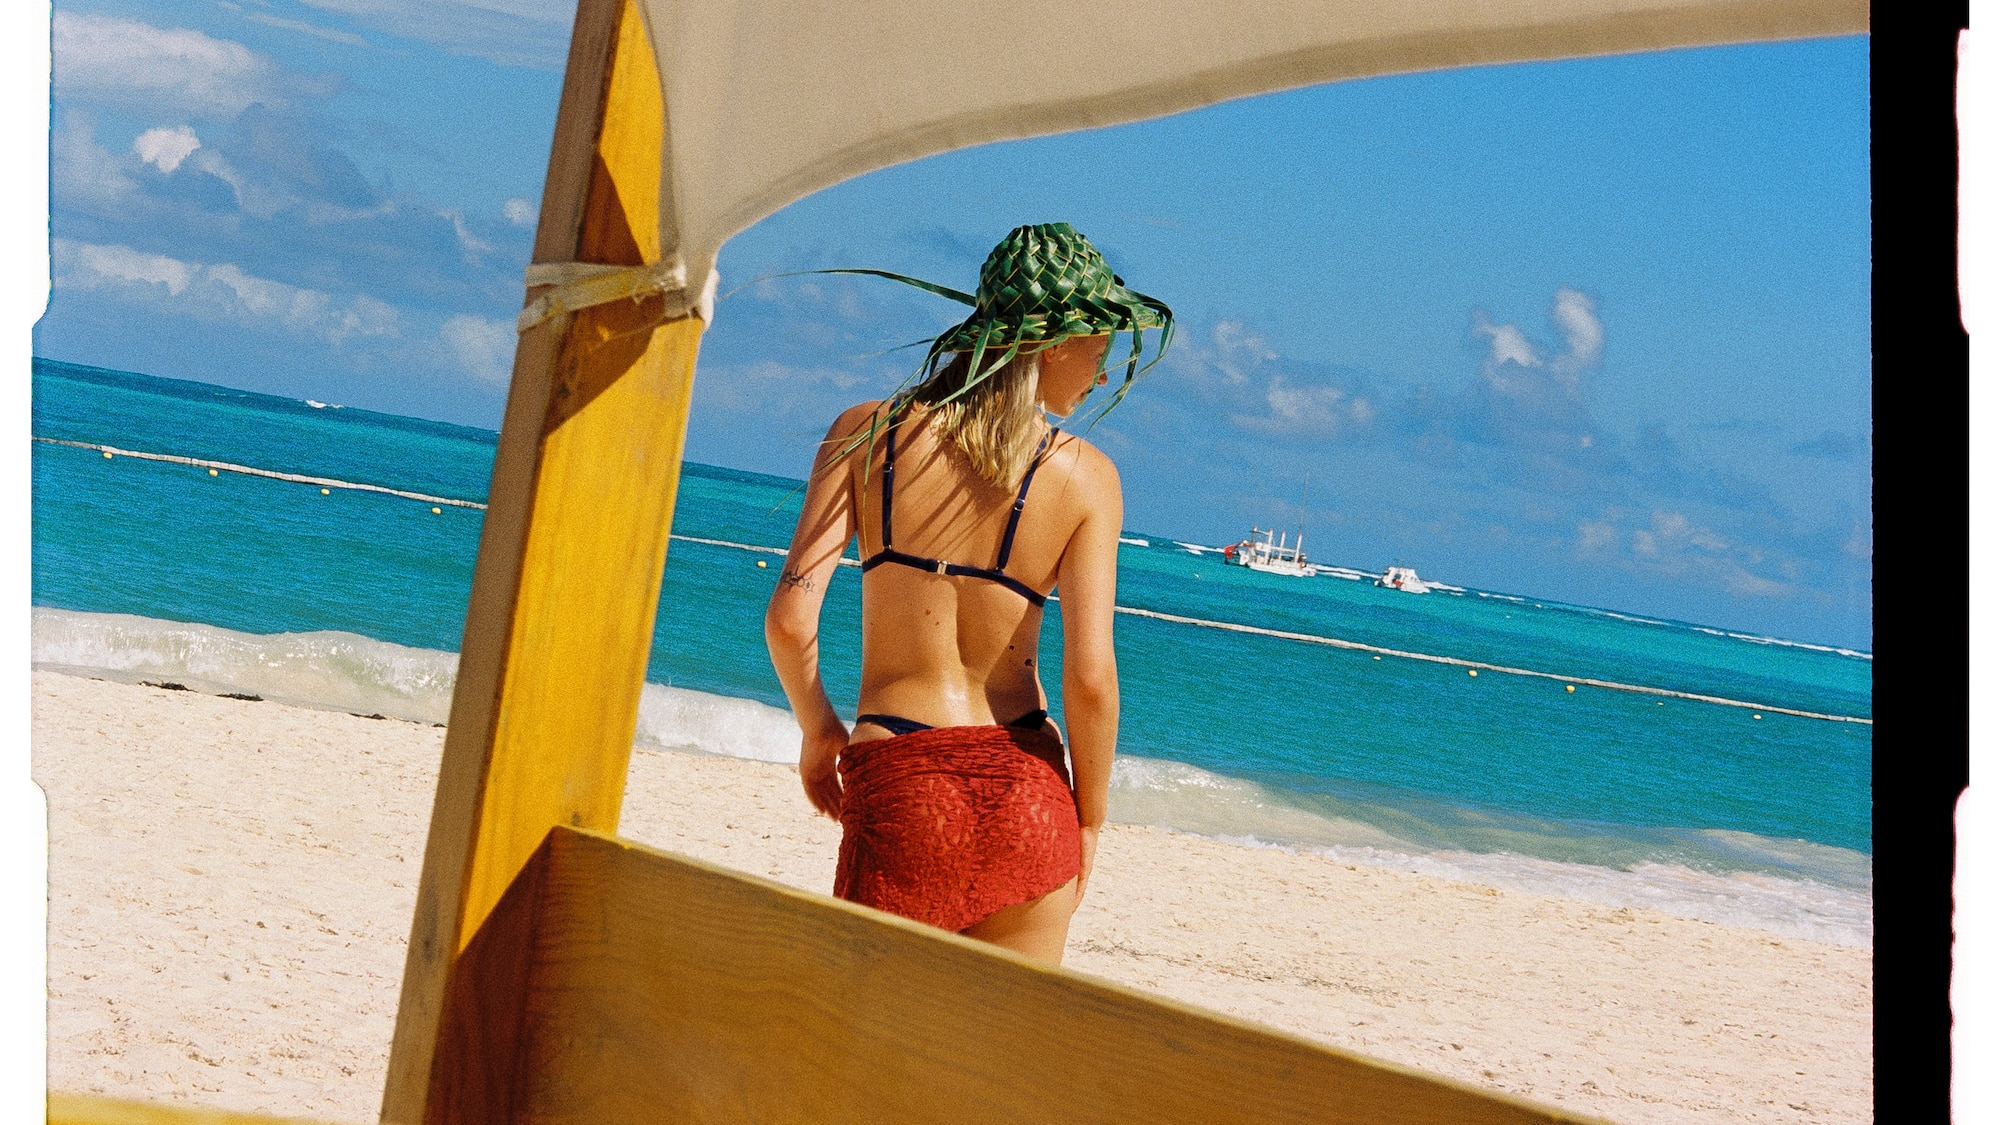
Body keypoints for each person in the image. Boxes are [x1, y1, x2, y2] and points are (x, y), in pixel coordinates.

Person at [764, 222, 1172, 964]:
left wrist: (820, 731)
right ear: (1053, 341)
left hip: (902, 785)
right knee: (1004, 1070)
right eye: (1100, 347)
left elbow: (791, 622)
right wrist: (1089, 819)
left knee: (874, 1063)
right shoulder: (1087, 478)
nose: (1103, 374)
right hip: (1028, 797)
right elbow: (1091, 680)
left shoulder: (864, 435)